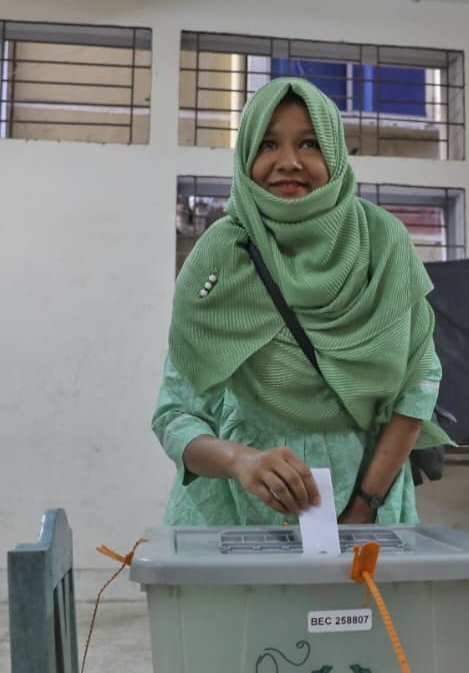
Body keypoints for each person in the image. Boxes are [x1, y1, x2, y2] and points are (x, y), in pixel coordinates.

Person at [152, 76, 451, 527]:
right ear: (246, 154)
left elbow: (418, 384)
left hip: (368, 498)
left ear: (334, 153)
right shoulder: (221, 254)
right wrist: (241, 461)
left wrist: (364, 505)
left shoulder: (383, 244)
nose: (289, 162)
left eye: (310, 144)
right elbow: (176, 414)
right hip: (235, 512)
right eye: (268, 144)